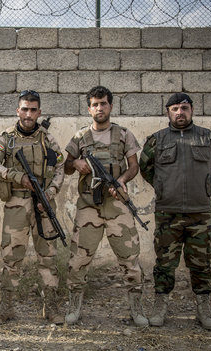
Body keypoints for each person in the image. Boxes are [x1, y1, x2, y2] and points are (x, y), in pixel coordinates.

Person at [139, 92, 211, 331]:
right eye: (175, 108)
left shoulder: (208, 138)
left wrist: (204, 186)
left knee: (201, 263)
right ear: (168, 112)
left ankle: (203, 309)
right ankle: (160, 306)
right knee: (165, 263)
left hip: (200, 213)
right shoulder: (157, 140)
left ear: (192, 110)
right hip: (168, 213)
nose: (180, 112)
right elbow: (146, 169)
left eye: (184, 108)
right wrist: (164, 187)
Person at [64, 86, 148, 327]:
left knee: (129, 258)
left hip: (117, 205)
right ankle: (74, 305)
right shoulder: (80, 137)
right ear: (89, 108)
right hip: (88, 206)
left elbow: (133, 166)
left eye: (103, 103)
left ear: (110, 106)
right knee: (79, 258)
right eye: (95, 104)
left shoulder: (123, 134)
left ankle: (136, 308)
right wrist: (77, 162)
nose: (99, 108)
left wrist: (121, 181)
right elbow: (67, 165)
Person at [0, 90, 66, 325]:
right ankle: (6, 307)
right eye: (24, 109)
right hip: (16, 204)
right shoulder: (7, 138)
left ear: (39, 112)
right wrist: (16, 176)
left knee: (48, 256)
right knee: (11, 257)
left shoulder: (48, 140)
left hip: (43, 203)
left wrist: (49, 194)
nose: (29, 114)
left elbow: (60, 168)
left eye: (33, 110)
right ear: (17, 110)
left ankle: (50, 307)